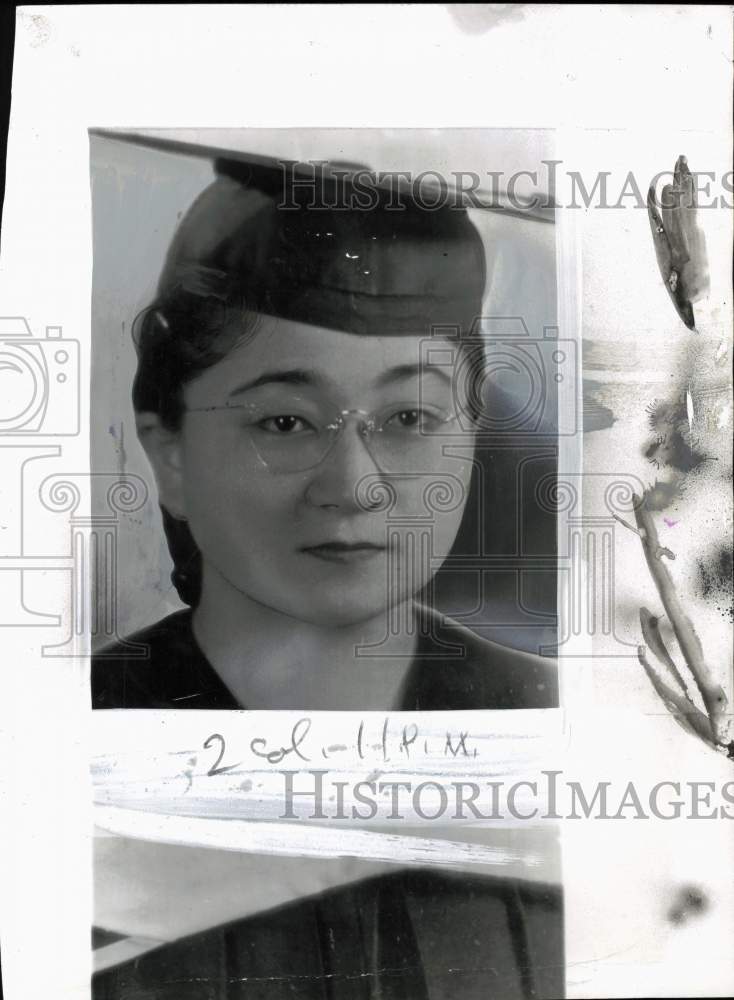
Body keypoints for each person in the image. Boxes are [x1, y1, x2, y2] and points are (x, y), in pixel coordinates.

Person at [91, 142, 563, 998]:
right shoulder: (61, 739)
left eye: (410, 415)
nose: (353, 489)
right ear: (169, 453)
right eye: (284, 423)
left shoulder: (569, 728)